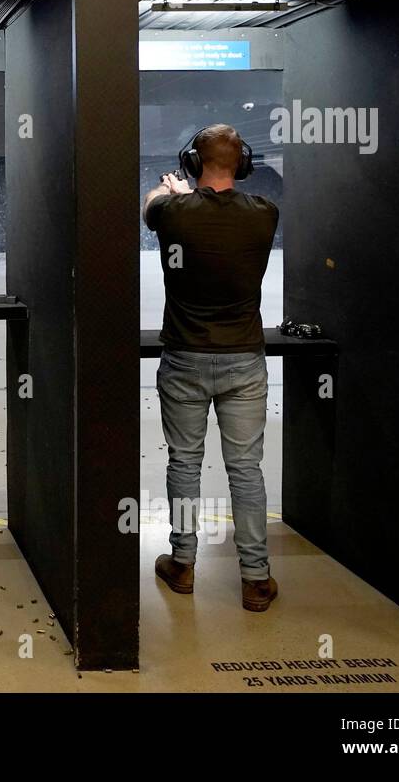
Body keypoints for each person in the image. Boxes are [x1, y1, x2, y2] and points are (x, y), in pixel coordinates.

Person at [142, 123, 280, 612]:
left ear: (193, 163)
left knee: (184, 463)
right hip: (244, 358)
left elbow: (151, 207)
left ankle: (182, 561)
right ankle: (256, 577)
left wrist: (173, 188)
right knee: (246, 469)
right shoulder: (265, 214)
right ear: (242, 164)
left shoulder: (172, 212)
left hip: (185, 357)